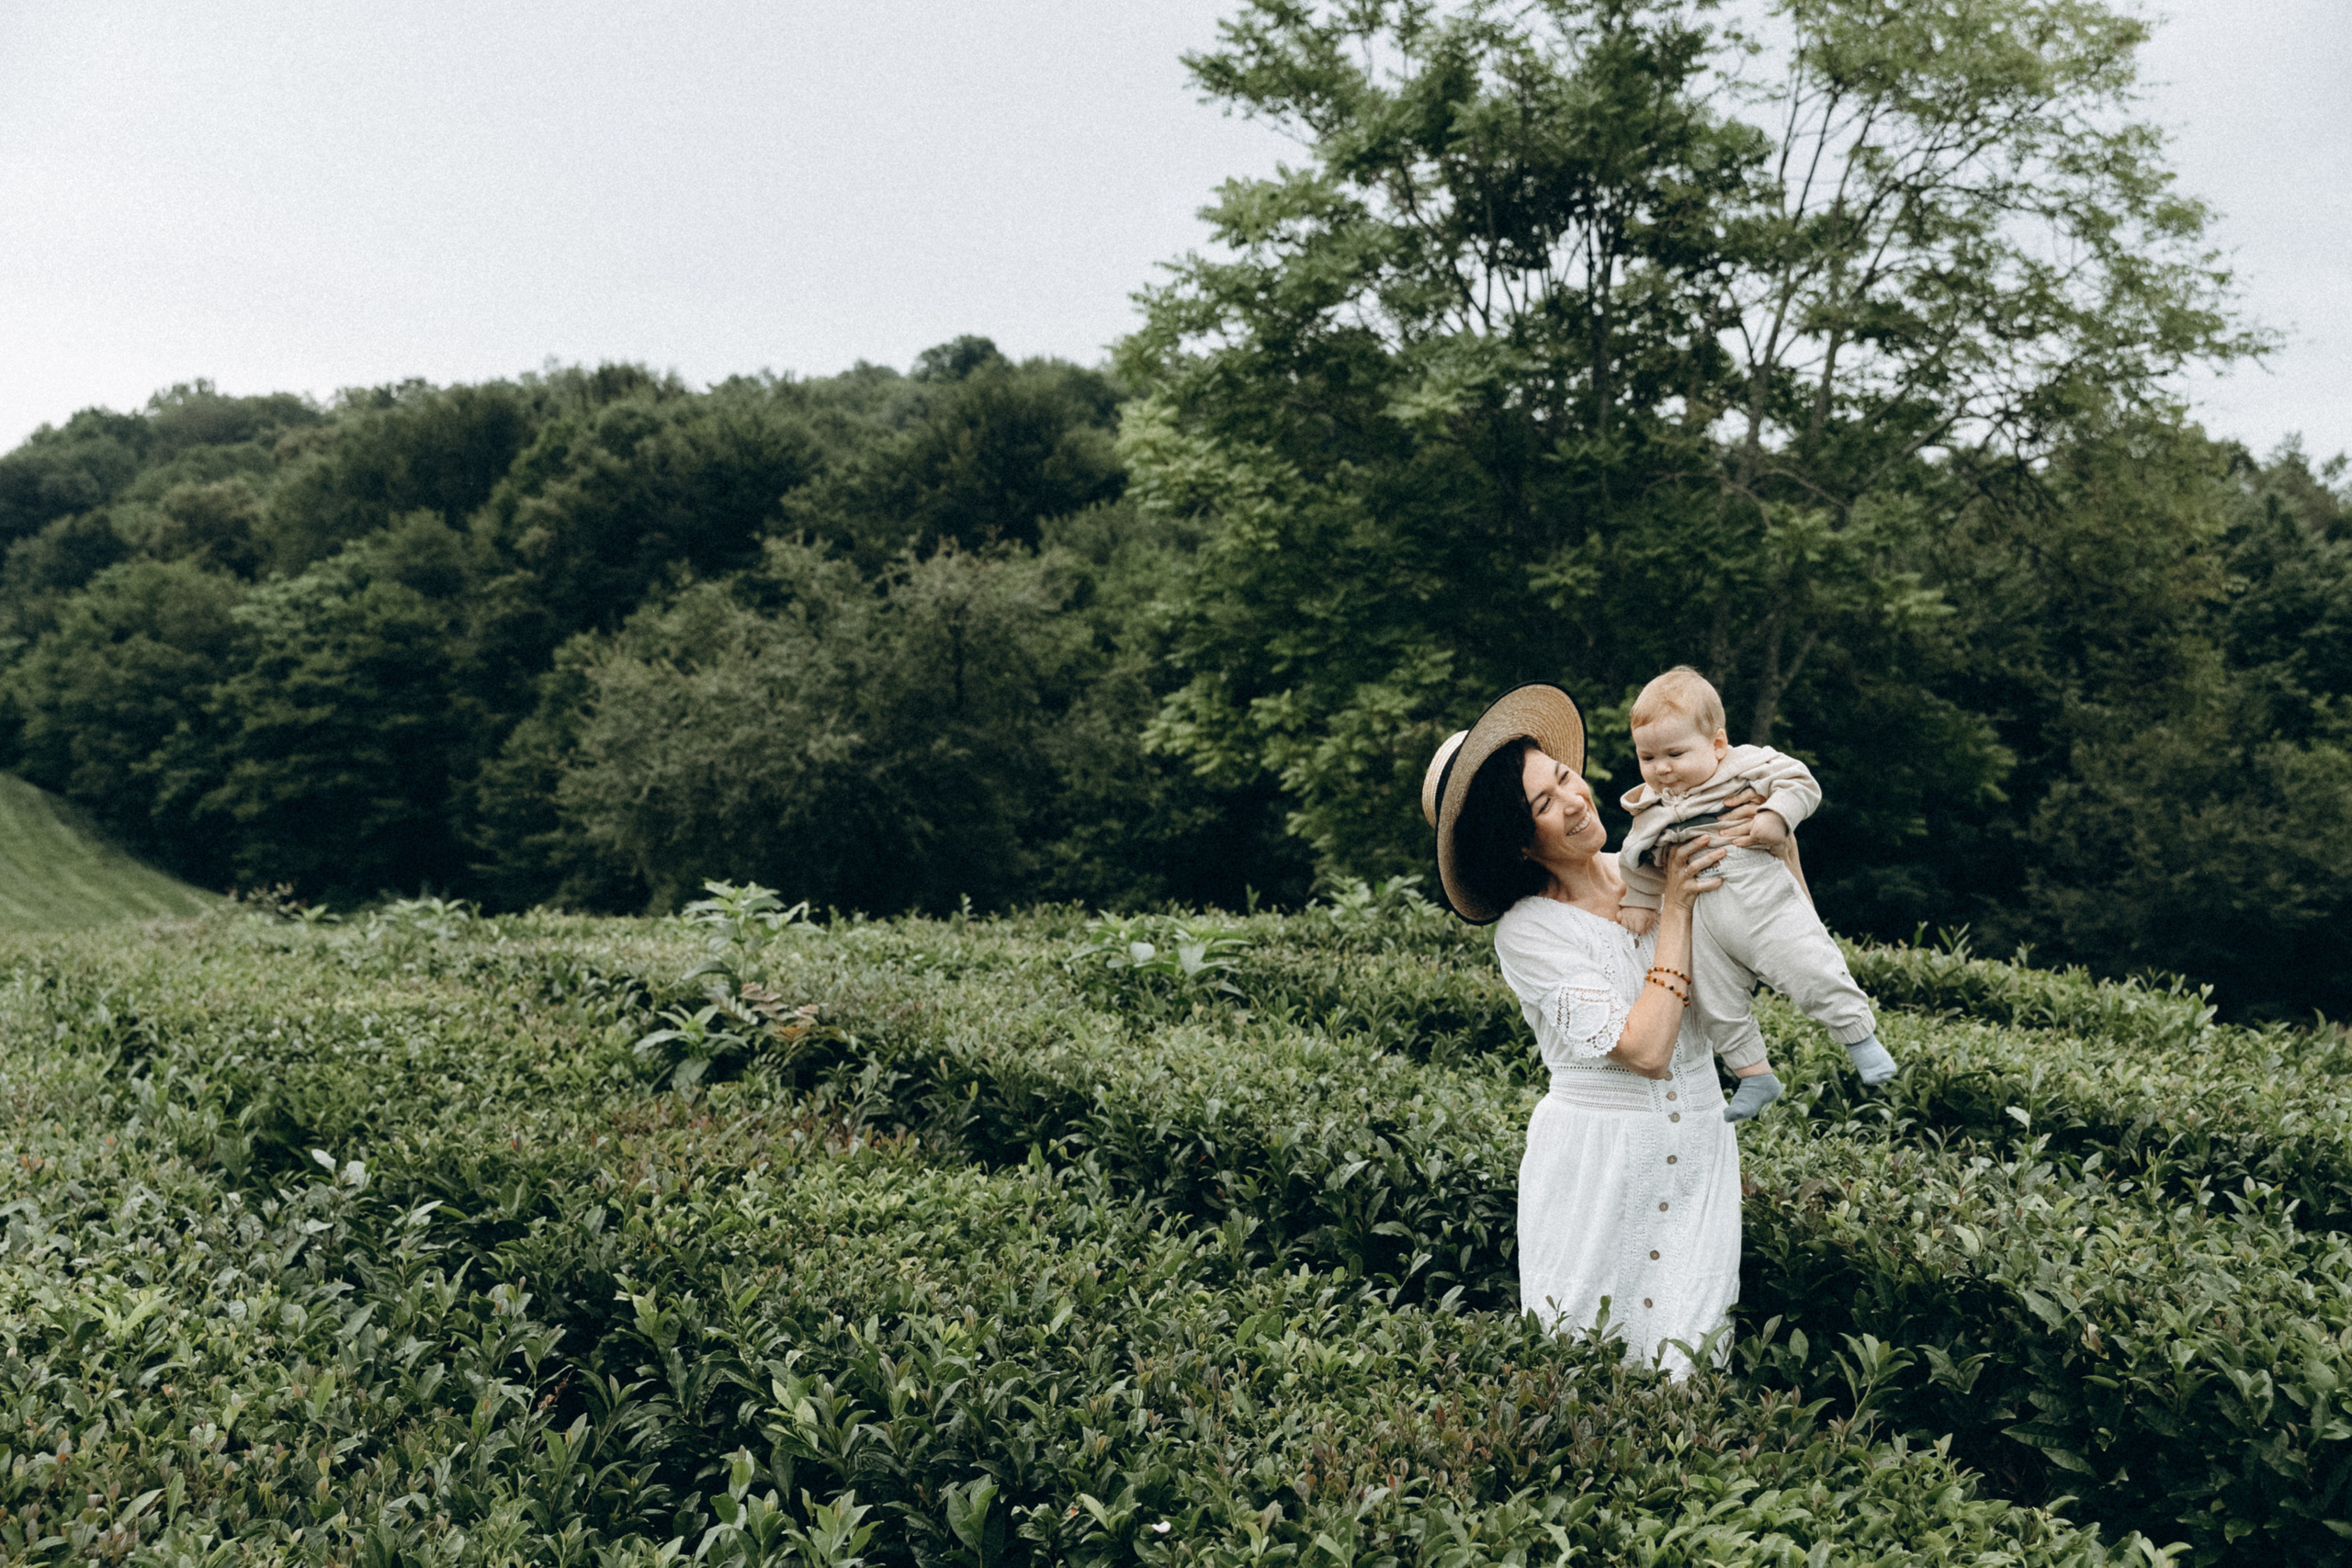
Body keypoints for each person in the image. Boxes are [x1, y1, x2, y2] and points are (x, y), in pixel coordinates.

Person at [1419, 682, 1755, 1376]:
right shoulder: (1529, 933)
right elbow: (1645, 1049)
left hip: (1700, 1145)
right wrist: (1679, 911)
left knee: (1690, 1369)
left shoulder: (1649, 860)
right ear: (1516, 842)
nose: (1574, 800)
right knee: (1589, 1366)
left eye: (1565, 777)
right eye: (1544, 804)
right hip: (1599, 1168)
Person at [1611, 667, 1895, 1122]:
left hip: (1758, 892)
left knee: (1809, 965)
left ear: (1717, 745)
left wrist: (1775, 818)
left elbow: (1801, 782)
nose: (1661, 768)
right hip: (1700, 913)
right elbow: (1638, 856)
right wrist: (1641, 901)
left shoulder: (1746, 766)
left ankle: (1859, 1039)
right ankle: (1754, 1074)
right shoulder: (1650, 805)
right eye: (1647, 757)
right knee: (1713, 1001)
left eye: (1675, 753)